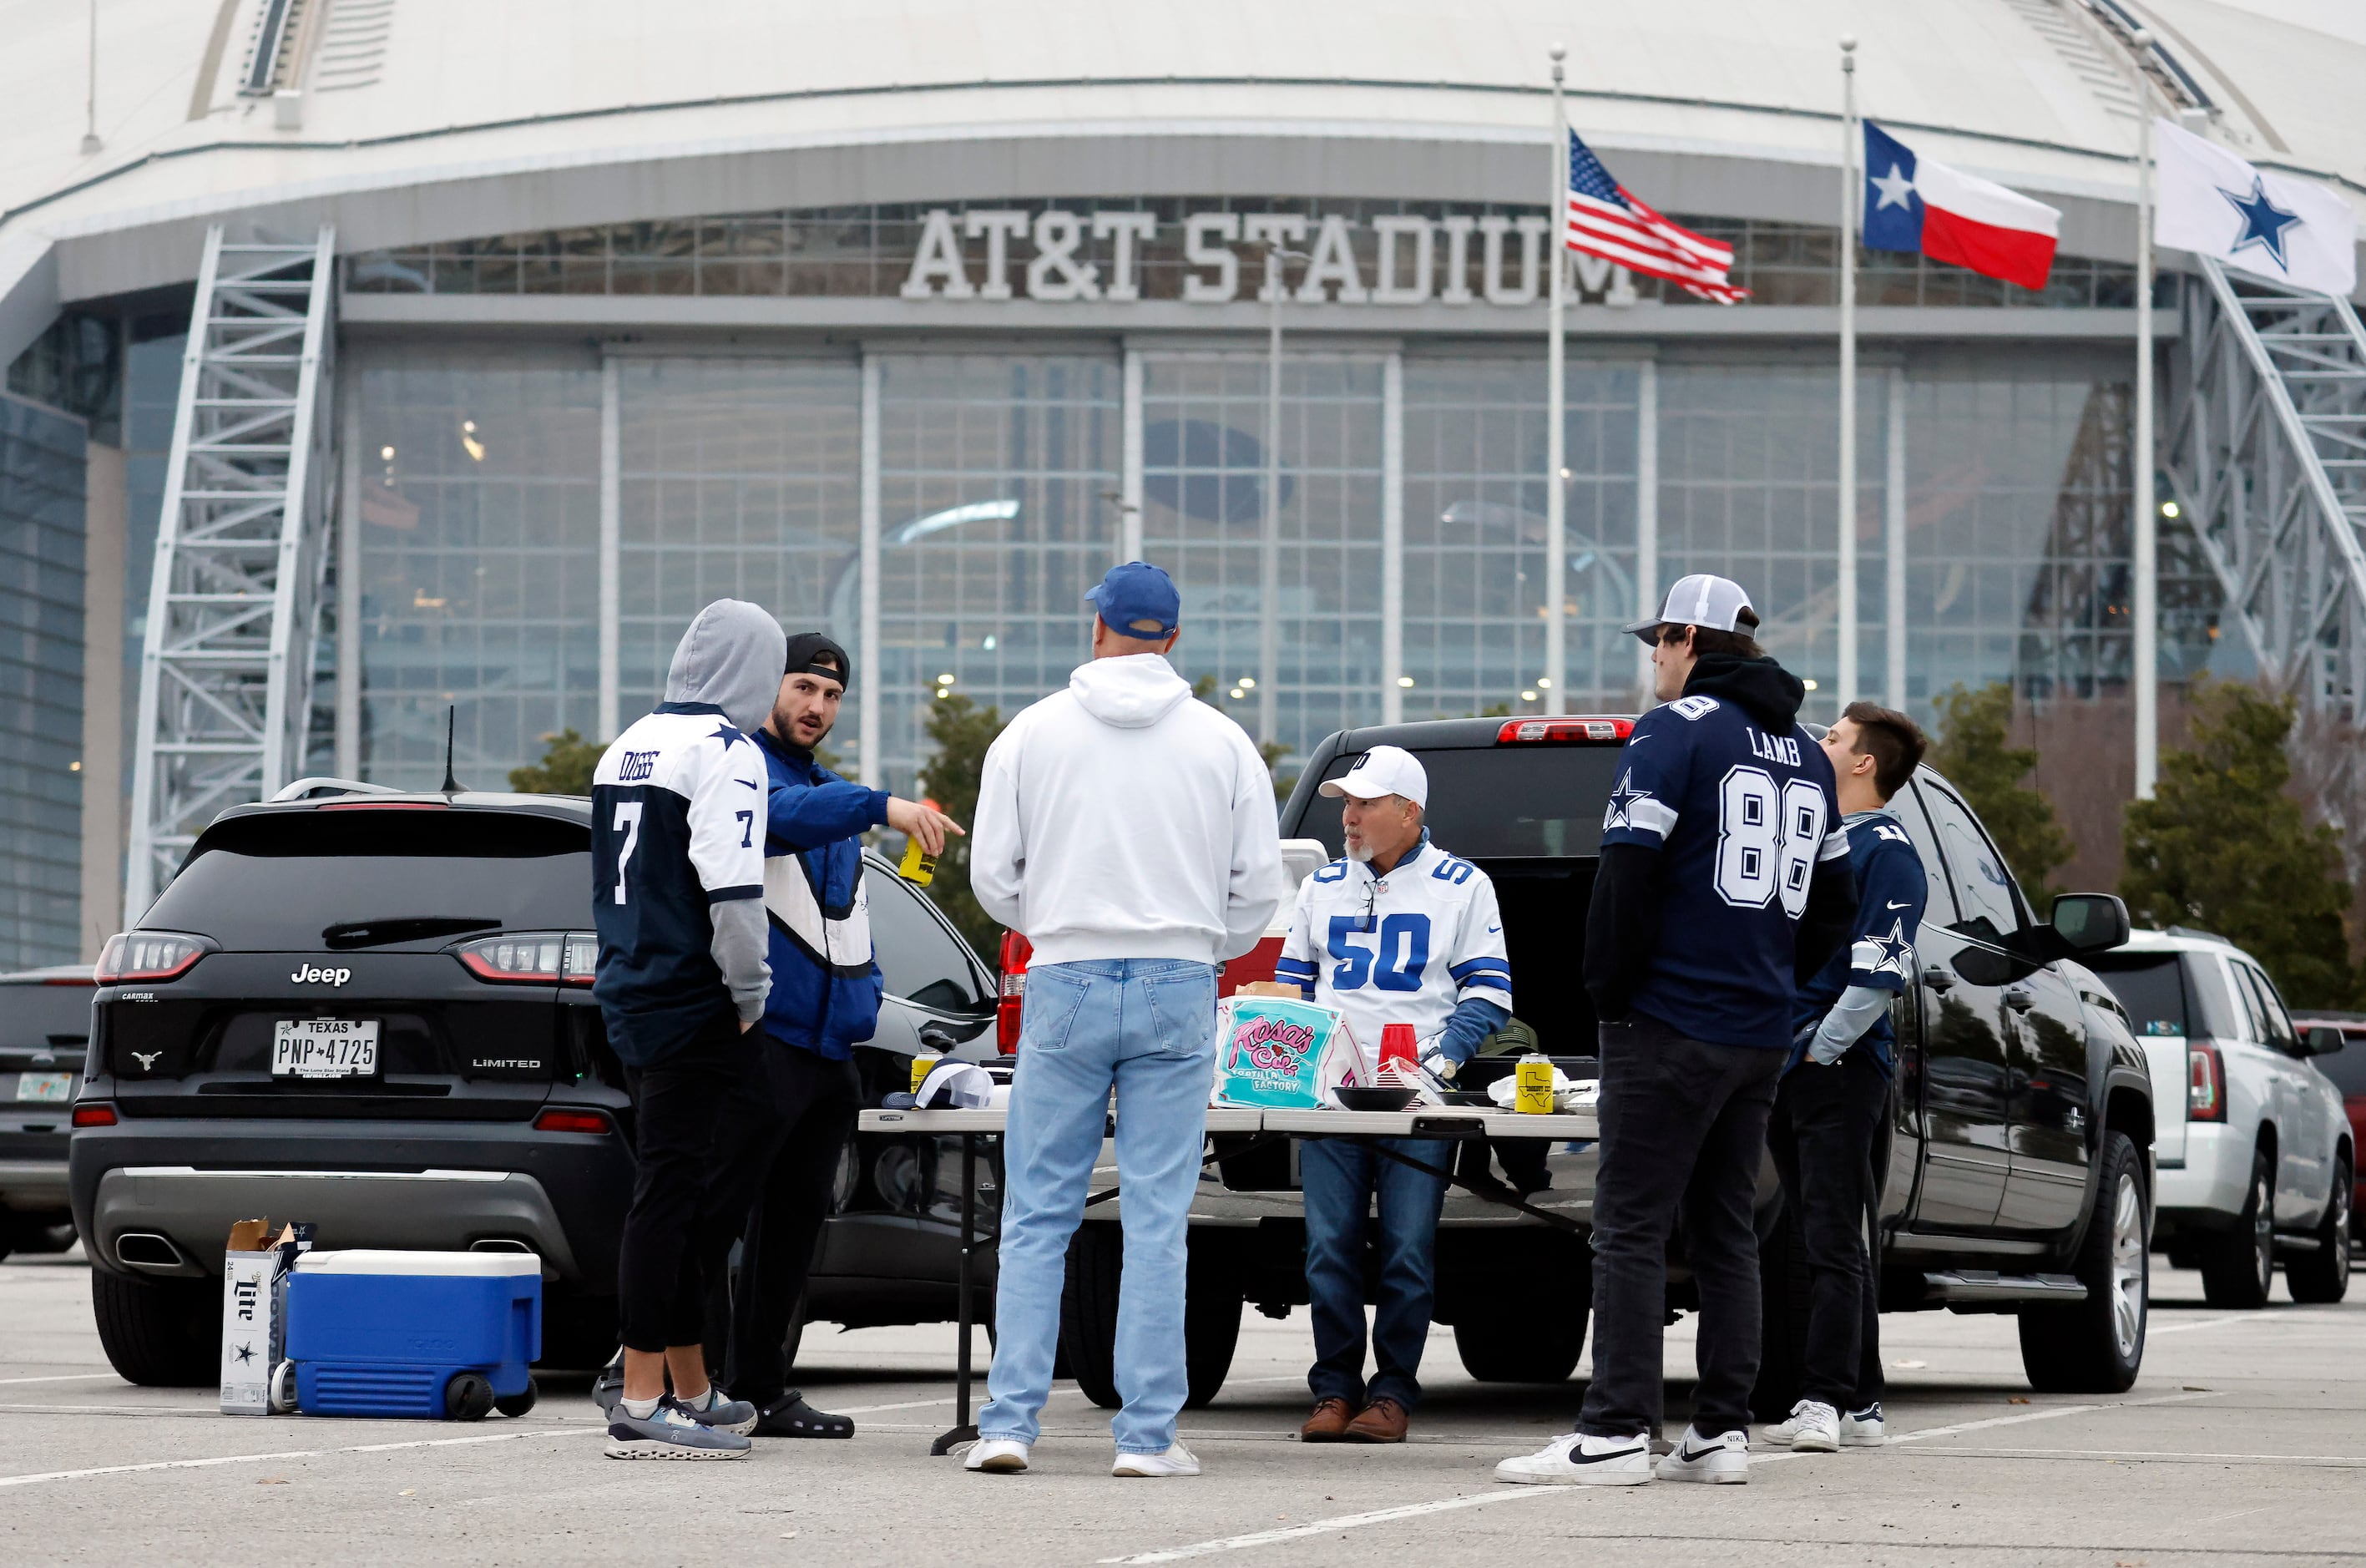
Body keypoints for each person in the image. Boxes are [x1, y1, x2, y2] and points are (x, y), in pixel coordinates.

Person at [1495, 574, 1856, 1489]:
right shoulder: (1810, 756)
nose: (1651, 658)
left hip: (1670, 1020)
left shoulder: (1672, 729)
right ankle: (1721, 1430)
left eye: (1657, 640)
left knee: (1626, 1226)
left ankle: (1615, 1428)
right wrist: (1778, 986)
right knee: (1725, 1228)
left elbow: (1625, 870)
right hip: (1756, 1033)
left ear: (1688, 638)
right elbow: (1833, 907)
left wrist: (1609, 993)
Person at [964, 560, 1286, 1479]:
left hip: (1063, 972)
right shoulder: (1222, 743)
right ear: (1173, 638)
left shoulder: (1029, 734)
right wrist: (1200, 945)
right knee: (1156, 1218)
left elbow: (994, 875)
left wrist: (1056, 923)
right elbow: (1257, 889)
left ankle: (1009, 1425)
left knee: (1036, 1216)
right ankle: (1146, 1437)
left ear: (1094, 624)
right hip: (1178, 979)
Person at [699, 631, 966, 1439]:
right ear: (769, 688)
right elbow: (779, 825)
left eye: (830, 695)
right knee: (714, 1224)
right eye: (803, 688)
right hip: (757, 1041)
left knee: (792, 1234)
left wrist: (869, 1000)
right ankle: (692, 1384)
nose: (816, 707)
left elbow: (844, 925)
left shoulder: (831, 794)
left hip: (829, 1054)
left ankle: (763, 1389)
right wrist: (879, 805)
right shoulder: (743, 775)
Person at [589, 598, 784, 1460]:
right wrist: (751, 990)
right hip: (693, 993)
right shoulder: (728, 752)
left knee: (682, 1193)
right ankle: (638, 1399)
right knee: (675, 1198)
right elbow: (734, 893)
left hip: (629, 986)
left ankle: (691, 1383)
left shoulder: (627, 742)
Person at [1278, 744, 1511, 1445]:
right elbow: (1293, 987)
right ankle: (1333, 1390)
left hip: (1416, 1102)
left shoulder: (1462, 884)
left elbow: (1491, 992)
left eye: (1364, 803)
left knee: (1408, 1249)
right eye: (1345, 803)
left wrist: (1434, 1065)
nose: (1348, 816)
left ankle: (1393, 1394)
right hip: (1331, 1098)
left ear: (1409, 812)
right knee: (1328, 1248)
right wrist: (1293, 1061)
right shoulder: (1320, 887)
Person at [1761, 702, 1929, 1454]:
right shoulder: (1824, 838)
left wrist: (1818, 1049)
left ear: (1865, 763)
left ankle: (1823, 1398)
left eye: (1833, 737)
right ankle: (1862, 1401)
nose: (1820, 743)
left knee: (1830, 1236)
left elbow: (1878, 975)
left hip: (1838, 1069)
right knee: (1823, 1229)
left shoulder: (1886, 849)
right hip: (1792, 1062)